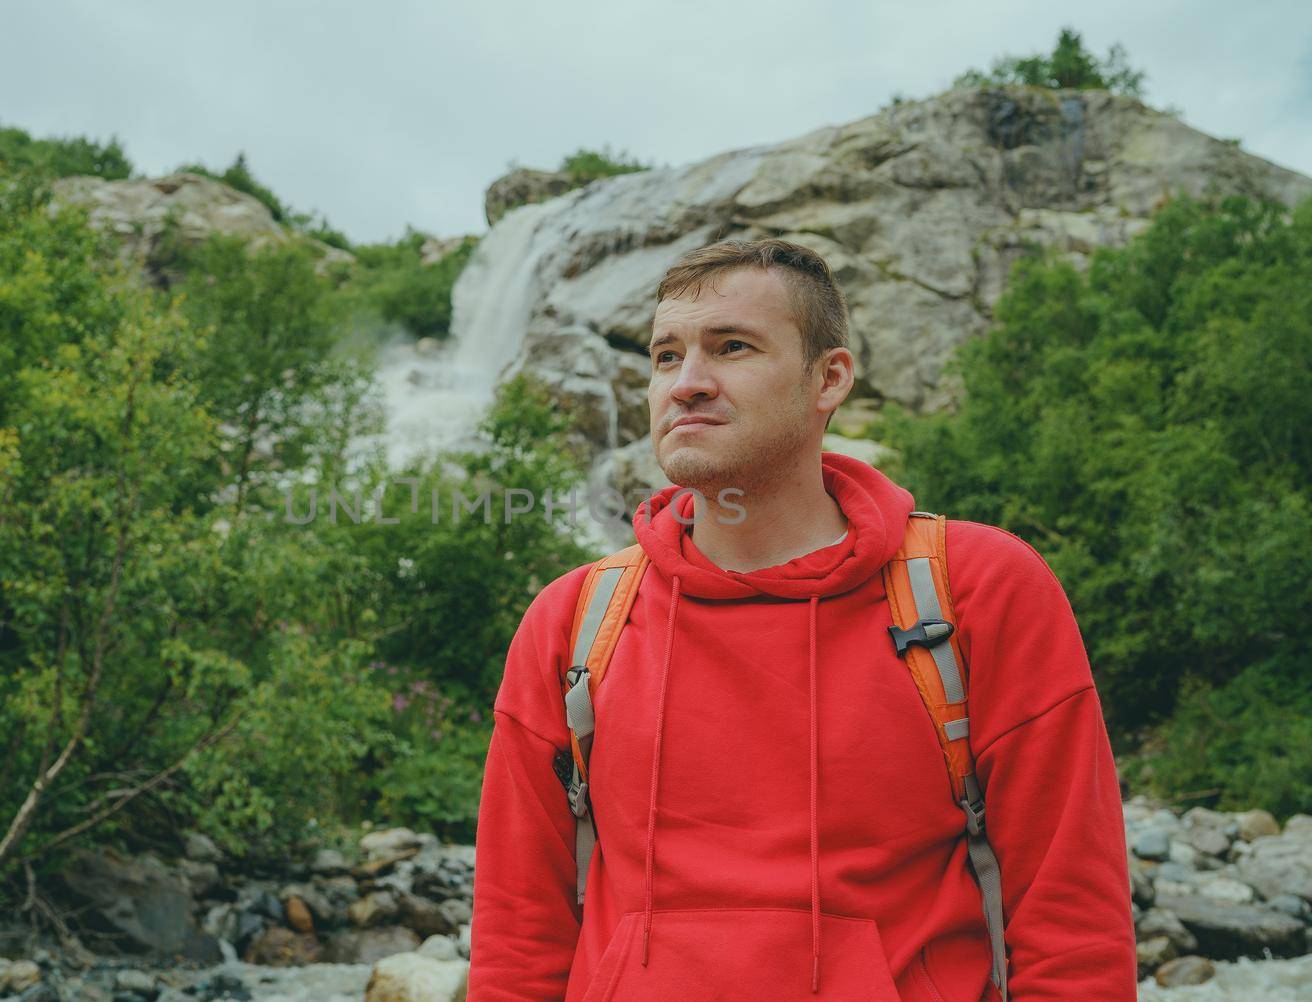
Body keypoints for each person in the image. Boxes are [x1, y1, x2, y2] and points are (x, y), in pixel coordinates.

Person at [465, 238, 1137, 1000]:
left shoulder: (976, 590)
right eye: (664, 357)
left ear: (830, 378)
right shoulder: (576, 620)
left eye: (731, 347)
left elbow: (1072, 923)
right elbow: (517, 936)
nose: (687, 384)